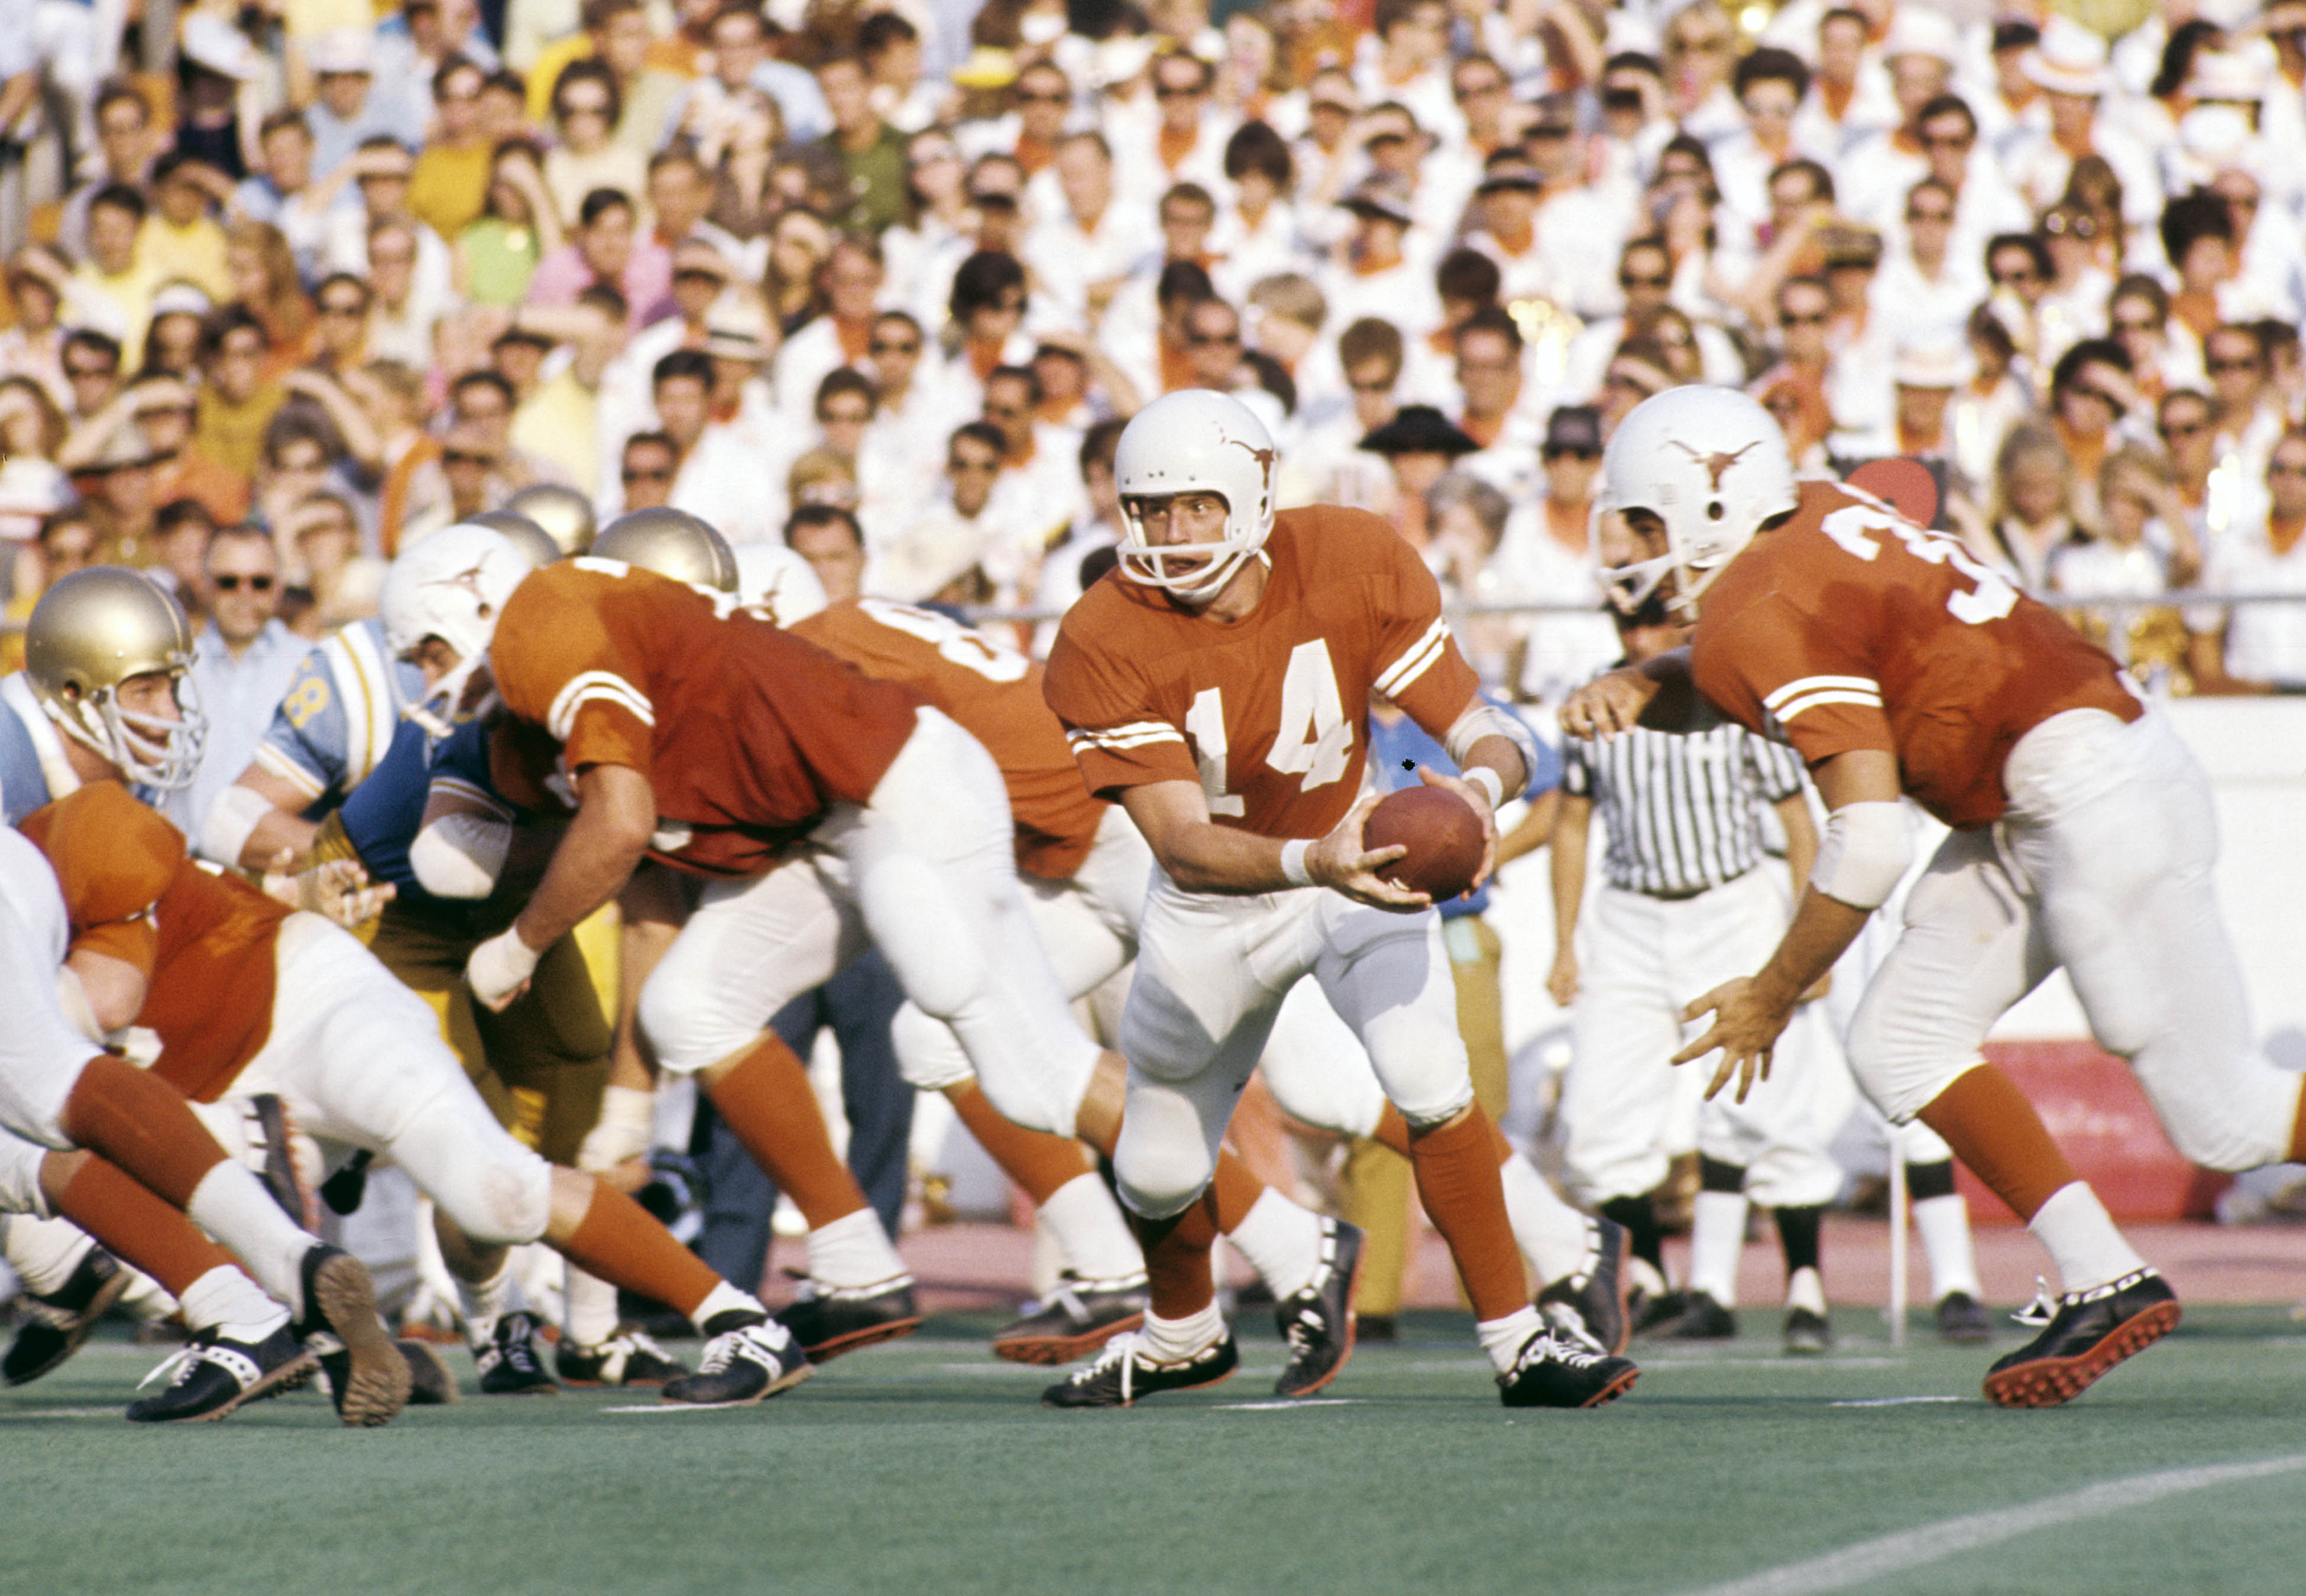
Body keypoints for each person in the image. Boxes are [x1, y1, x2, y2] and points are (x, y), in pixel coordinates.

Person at [1563, 385, 2306, 1406]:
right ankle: (2103, 1277)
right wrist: (1654, 679)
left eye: (1647, 519)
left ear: (1713, 508)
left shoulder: (1755, 609)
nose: (1629, 542)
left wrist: (1775, 991)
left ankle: (2105, 1273)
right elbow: (1772, 658)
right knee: (1898, 1039)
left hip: (2088, 791)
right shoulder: (1817, 508)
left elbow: (1866, 843)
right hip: (2034, 790)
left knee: (2228, 1122)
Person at [1041, 390, 1637, 1410]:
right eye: (1151, 513)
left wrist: (1479, 789)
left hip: (1355, 847)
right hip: (1226, 899)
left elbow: (1486, 726)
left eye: (1196, 506)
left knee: (1428, 1075)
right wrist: (1317, 861)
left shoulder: (1352, 558)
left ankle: (1522, 1341)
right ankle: (1182, 1333)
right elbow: (1185, 845)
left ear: (1254, 497)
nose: (1173, 537)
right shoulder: (1102, 633)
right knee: (1153, 1167)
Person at [1549, 591, 1847, 1354]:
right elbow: (1572, 825)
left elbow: (1796, 819)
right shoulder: (1594, 699)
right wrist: (1564, 942)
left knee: (1763, 1102)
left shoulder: (1725, 694)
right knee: (1600, 1111)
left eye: (1653, 618)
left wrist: (1804, 948)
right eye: (1625, 621)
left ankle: (1803, 1287)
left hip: (1731, 904)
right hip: (1629, 912)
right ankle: (1649, 1274)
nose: (1638, 634)